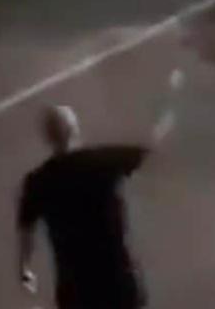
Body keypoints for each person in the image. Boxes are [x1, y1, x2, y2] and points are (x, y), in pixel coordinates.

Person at [17, 105, 153, 309]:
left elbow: (26, 229)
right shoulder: (104, 160)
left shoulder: (38, 182)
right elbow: (150, 158)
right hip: (117, 280)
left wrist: (25, 268)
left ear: (48, 137)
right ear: (75, 129)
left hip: (76, 290)